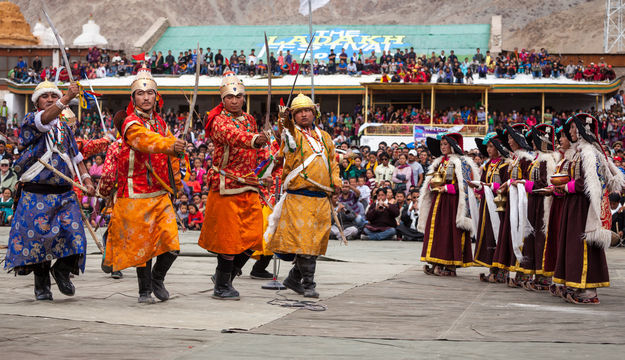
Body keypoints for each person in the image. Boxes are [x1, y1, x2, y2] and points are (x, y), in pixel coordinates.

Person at [4, 80, 95, 301]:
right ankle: (42, 285)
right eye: (46, 97)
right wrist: (66, 99)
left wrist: (86, 179)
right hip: (35, 193)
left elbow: (76, 157)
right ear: (37, 102)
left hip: (64, 193)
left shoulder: (64, 127)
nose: (51, 100)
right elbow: (44, 120)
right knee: (39, 244)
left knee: (76, 237)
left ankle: (62, 271)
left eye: (54, 96)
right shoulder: (31, 120)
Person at [103, 68, 185, 304]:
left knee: (172, 245)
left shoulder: (160, 122)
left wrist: (176, 185)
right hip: (135, 193)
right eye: (140, 93)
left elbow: (171, 159)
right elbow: (145, 141)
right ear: (133, 98)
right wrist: (170, 144)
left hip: (160, 193)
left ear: (156, 97)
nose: (146, 97)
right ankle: (144, 291)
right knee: (143, 248)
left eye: (150, 93)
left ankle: (157, 278)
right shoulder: (131, 123)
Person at [198, 71, 269, 300]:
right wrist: (254, 139)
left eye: (238, 96)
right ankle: (222, 284)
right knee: (229, 239)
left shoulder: (249, 119)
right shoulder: (219, 120)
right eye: (230, 97)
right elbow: (232, 136)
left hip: (248, 182)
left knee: (254, 236)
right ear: (223, 99)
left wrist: (267, 156)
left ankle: (225, 276)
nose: (235, 100)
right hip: (226, 182)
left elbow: (258, 148)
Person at [265, 93, 341, 298]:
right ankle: (308, 284)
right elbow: (285, 131)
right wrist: (284, 120)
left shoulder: (324, 136)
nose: (304, 114)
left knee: (315, 243)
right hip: (300, 197)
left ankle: (292, 279)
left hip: (322, 198)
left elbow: (333, 162)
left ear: (314, 113)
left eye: (307, 110)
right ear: (294, 116)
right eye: (299, 112)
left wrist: (336, 183)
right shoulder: (293, 135)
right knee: (306, 242)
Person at [553, 113, 625, 304]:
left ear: (582, 130)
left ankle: (588, 290)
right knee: (573, 244)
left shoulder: (589, 153)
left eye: (573, 128)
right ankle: (575, 283)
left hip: (584, 207)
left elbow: (587, 182)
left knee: (582, 246)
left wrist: (566, 187)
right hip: (574, 204)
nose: (570, 132)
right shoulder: (580, 152)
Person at [418, 132, 479, 276]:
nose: (443, 147)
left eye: (446, 144)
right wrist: (431, 185)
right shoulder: (439, 163)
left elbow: (465, 185)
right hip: (438, 202)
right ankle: (436, 261)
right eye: (441, 144)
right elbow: (431, 180)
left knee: (449, 233)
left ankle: (450, 265)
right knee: (438, 232)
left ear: (453, 146)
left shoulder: (461, 162)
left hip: (453, 204)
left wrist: (446, 188)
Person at [515, 124, 559, 290]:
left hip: (542, 204)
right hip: (533, 203)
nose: (532, 142)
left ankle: (544, 276)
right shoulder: (537, 159)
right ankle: (534, 273)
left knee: (541, 238)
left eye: (535, 139)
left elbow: (545, 183)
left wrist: (526, 184)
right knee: (532, 239)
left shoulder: (546, 160)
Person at [491, 124, 535, 285]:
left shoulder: (526, 159)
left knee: (522, 235)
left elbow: (529, 181)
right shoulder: (515, 159)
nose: (509, 141)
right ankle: (511, 269)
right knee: (510, 234)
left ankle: (523, 272)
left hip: (522, 204)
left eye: (511, 138)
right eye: (508, 138)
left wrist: (513, 183)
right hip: (512, 202)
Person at [471, 132, 510, 282]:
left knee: (499, 235)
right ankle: (492, 268)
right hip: (487, 205)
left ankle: (502, 270)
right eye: (487, 146)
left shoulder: (506, 164)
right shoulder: (487, 165)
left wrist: (492, 186)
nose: (488, 149)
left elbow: (506, 184)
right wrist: (478, 188)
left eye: (491, 146)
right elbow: (482, 183)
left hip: (500, 206)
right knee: (488, 235)